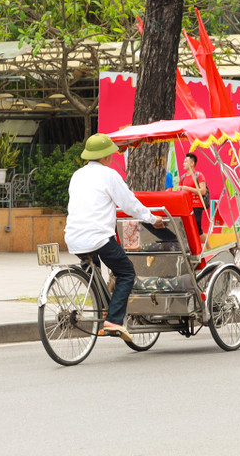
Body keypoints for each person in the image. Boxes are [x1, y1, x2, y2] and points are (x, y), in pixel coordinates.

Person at [65, 133, 163, 342]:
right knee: (126, 273)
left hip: (74, 238)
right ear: (105, 157)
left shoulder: (77, 175)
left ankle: (102, 308)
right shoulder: (109, 175)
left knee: (95, 270)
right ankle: (113, 320)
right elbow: (129, 204)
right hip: (99, 237)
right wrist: (152, 219)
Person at [175, 152, 208, 237]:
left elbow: (203, 191)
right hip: (186, 206)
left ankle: (209, 247)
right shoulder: (182, 177)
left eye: (186, 162)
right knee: (186, 229)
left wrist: (187, 188)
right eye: (183, 162)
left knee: (197, 230)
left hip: (196, 206)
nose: (183, 164)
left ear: (192, 163)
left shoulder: (199, 175)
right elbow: (179, 191)